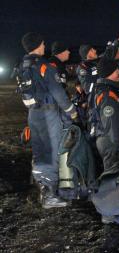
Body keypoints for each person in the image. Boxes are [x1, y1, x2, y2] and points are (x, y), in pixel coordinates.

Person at [18, 32, 79, 209]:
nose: (45, 46)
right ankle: (50, 195)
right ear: (37, 45)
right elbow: (57, 91)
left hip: (33, 113)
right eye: (43, 44)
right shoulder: (43, 65)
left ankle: (42, 186)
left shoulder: (22, 65)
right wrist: (71, 111)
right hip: (48, 113)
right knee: (51, 151)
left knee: (39, 149)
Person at [92, 57, 119, 174]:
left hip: (114, 145)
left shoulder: (112, 91)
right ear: (109, 73)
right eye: (116, 70)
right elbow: (112, 127)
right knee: (115, 180)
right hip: (113, 147)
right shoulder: (108, 96)